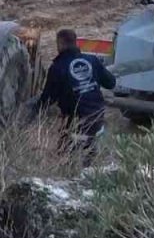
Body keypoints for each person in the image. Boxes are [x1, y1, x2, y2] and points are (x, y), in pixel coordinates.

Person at [33, 29, 116, 164]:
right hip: (98, 116)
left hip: (75, 121)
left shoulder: (57, 67)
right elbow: (111, 83)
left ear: (60, 44)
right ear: (75, 42)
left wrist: (31, 112)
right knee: (93, 155)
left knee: (66, 157)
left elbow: (47, 100)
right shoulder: (92, 60)